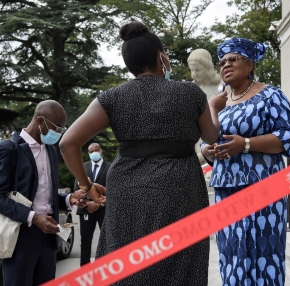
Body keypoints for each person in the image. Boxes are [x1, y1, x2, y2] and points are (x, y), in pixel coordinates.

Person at [58, 21, 227, 285]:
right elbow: (212, 137)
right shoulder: (190, 93)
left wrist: (86, 185)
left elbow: (67, 144)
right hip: (180, 188)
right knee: (181, 262)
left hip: (128, 190)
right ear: (161, 56)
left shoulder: (112, 98)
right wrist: (214, 106)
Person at [201, 38, 290, 285]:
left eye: (233, 59)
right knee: (232, 253)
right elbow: (207, 141)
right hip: (226, 190)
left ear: (250, 63)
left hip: (263, 187)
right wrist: (210, 142)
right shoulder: (219, 102)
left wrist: (245, 144)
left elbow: (289, 137)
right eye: (222, 61)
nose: (226, 64)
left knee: (263, 252)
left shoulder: (270, 95)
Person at [0, 100, 87, 286]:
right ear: (40, 120)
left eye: (62, 129)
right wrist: (33, 217)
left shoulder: (51, 150)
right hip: (20, 237)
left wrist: (70, 199)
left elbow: (46, 195)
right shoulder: (9, 149)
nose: (59, 133)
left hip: (49, 238)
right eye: (57, 128)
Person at [73, 143, 111, 266]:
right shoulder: (82, 168)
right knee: (85, 241)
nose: (93, 153)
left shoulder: (110, 167)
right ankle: (85, 271)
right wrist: (87, 203)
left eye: (96, 150)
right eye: (91, 151)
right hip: (86, 210)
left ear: (101, 151)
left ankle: (104, 268)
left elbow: (113, 190)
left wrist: (98, 204)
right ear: (88, 153)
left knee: (106, 241)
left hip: (104, 210)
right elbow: (76, 189)